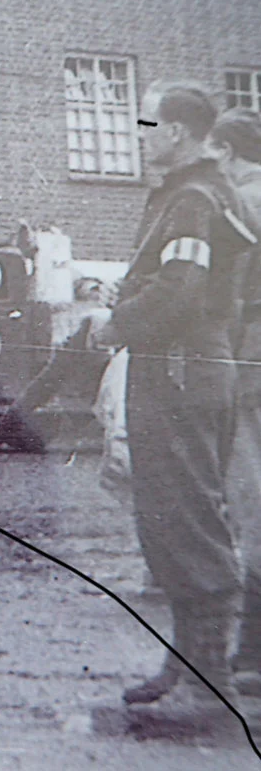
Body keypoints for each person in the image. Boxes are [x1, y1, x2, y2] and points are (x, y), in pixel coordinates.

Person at [93, 82, 252, 726]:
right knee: (166, 514)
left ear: (180, 131)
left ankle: (211, 685)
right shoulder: (188, 192)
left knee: (187, 517)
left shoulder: (191, 197)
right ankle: (186, 664)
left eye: (147, 122)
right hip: (180, 368)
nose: (139, 133)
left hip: (182, 367)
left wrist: (115, 323)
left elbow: (181, 289)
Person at [203, 107, 261, 697]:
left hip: (250, 360)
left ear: (224, 151)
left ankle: (254, 653)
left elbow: (229, 293)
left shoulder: (241, 203)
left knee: (250, 498)